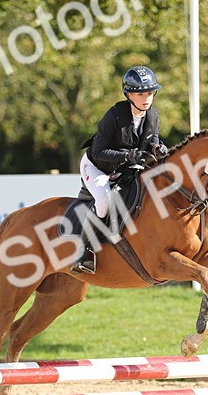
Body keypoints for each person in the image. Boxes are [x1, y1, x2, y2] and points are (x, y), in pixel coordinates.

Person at [72, 65, 171, 275]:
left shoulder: (152, 115)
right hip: (97, 166)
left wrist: (158, 148)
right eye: (140, 94)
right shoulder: (114, 116)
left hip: (125, 166)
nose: (146, 98)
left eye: (150, 93)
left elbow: (152, 140)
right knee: (103, 202)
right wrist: (127, 156)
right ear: (129, 95)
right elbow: (99, 151)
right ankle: (83, 253)